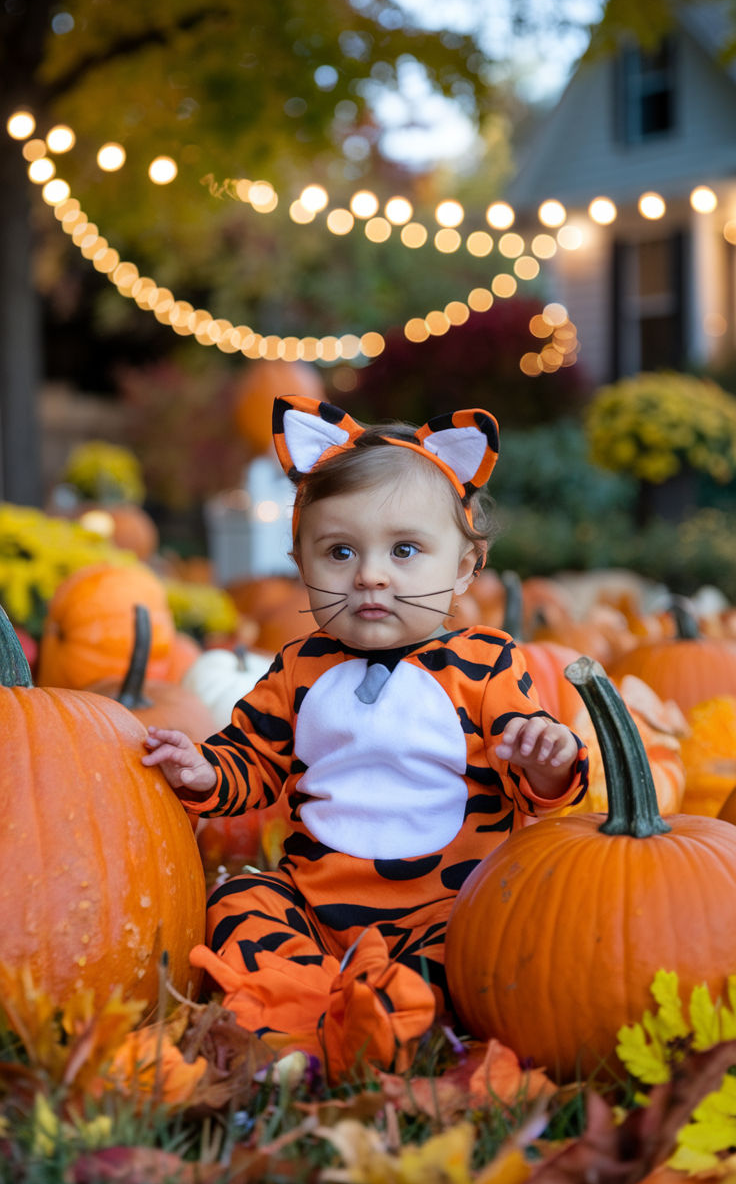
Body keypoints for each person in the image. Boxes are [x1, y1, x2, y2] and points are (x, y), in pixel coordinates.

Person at [143, 395, 588, 1081]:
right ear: (301, 563)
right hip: (314, 904)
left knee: (474, 957)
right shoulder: (299, 667)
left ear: (466, 567)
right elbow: (253, 762)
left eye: (405, 550)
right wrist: (204, 773)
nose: (371, 575)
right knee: (239, 898)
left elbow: (537, 788)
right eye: (340, 551)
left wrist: (549, 761)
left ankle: (379, 1019)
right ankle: (297, 1015)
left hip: (443, 909)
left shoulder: (488, 664)